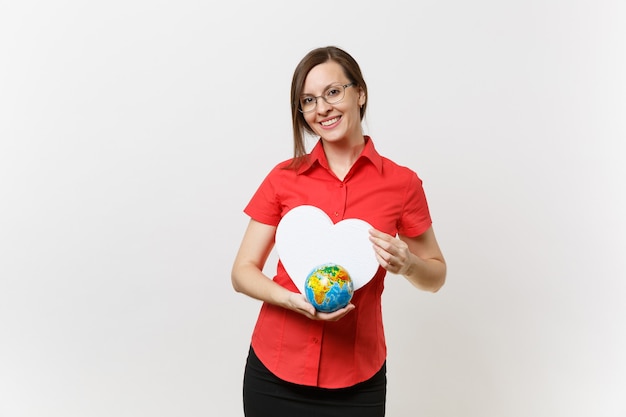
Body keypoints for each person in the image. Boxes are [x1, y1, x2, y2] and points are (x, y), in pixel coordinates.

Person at [231, 46, 446, 417]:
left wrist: (408, 264)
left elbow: (436, 275)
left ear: (359, 92)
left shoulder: (402, 183)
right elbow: (242, 271)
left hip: (357, 381)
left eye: (333, 92)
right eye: (308, 100)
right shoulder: (284, 178)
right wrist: (292, 302)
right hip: (274, 371)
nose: (322, 109)